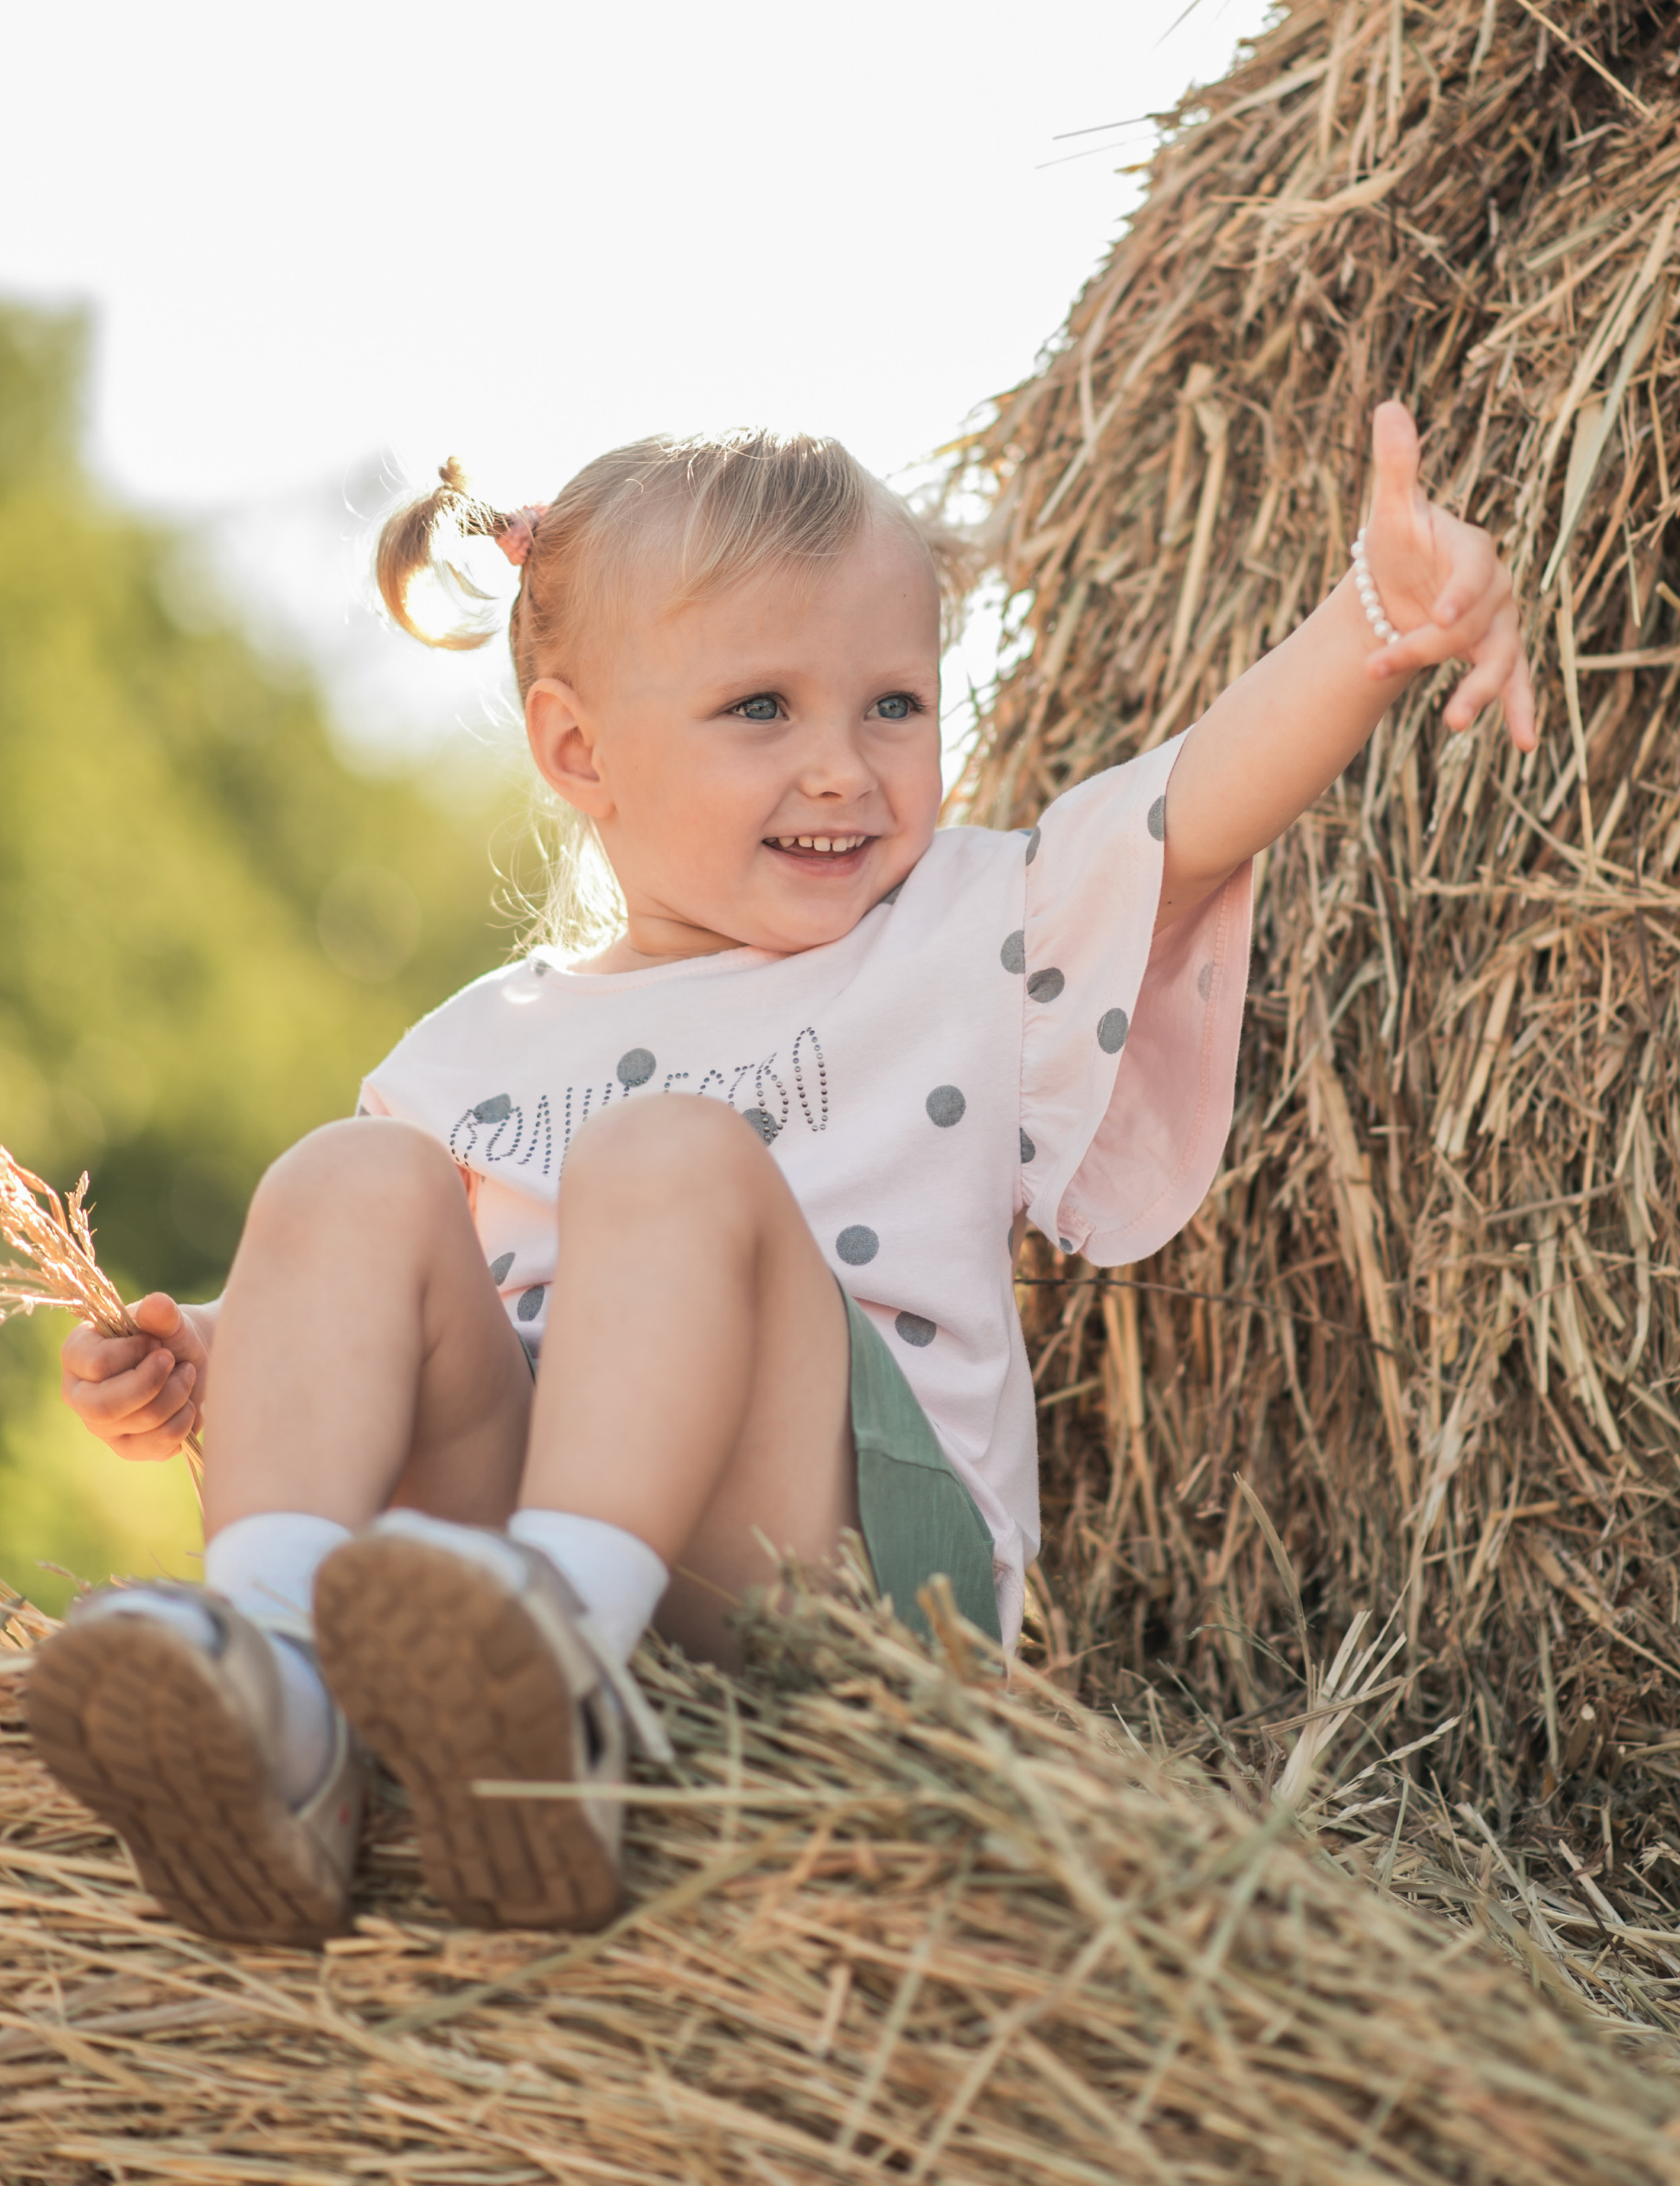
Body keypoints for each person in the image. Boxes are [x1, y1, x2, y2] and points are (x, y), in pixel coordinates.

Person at [29, 407, 1534, 1949]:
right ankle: (279, 1694)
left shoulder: (958, 930)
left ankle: (561, 1682)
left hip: (841, 1570)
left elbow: (1188, 808)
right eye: (761, 707)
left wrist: (1374, 621)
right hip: (513, 1544)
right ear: (576, 748)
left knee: (666, 1154)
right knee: (347, 1176)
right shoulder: (474, 1047)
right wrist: (211, 1349)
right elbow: (387, 1319)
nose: (844, 768)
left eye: (894, 703)